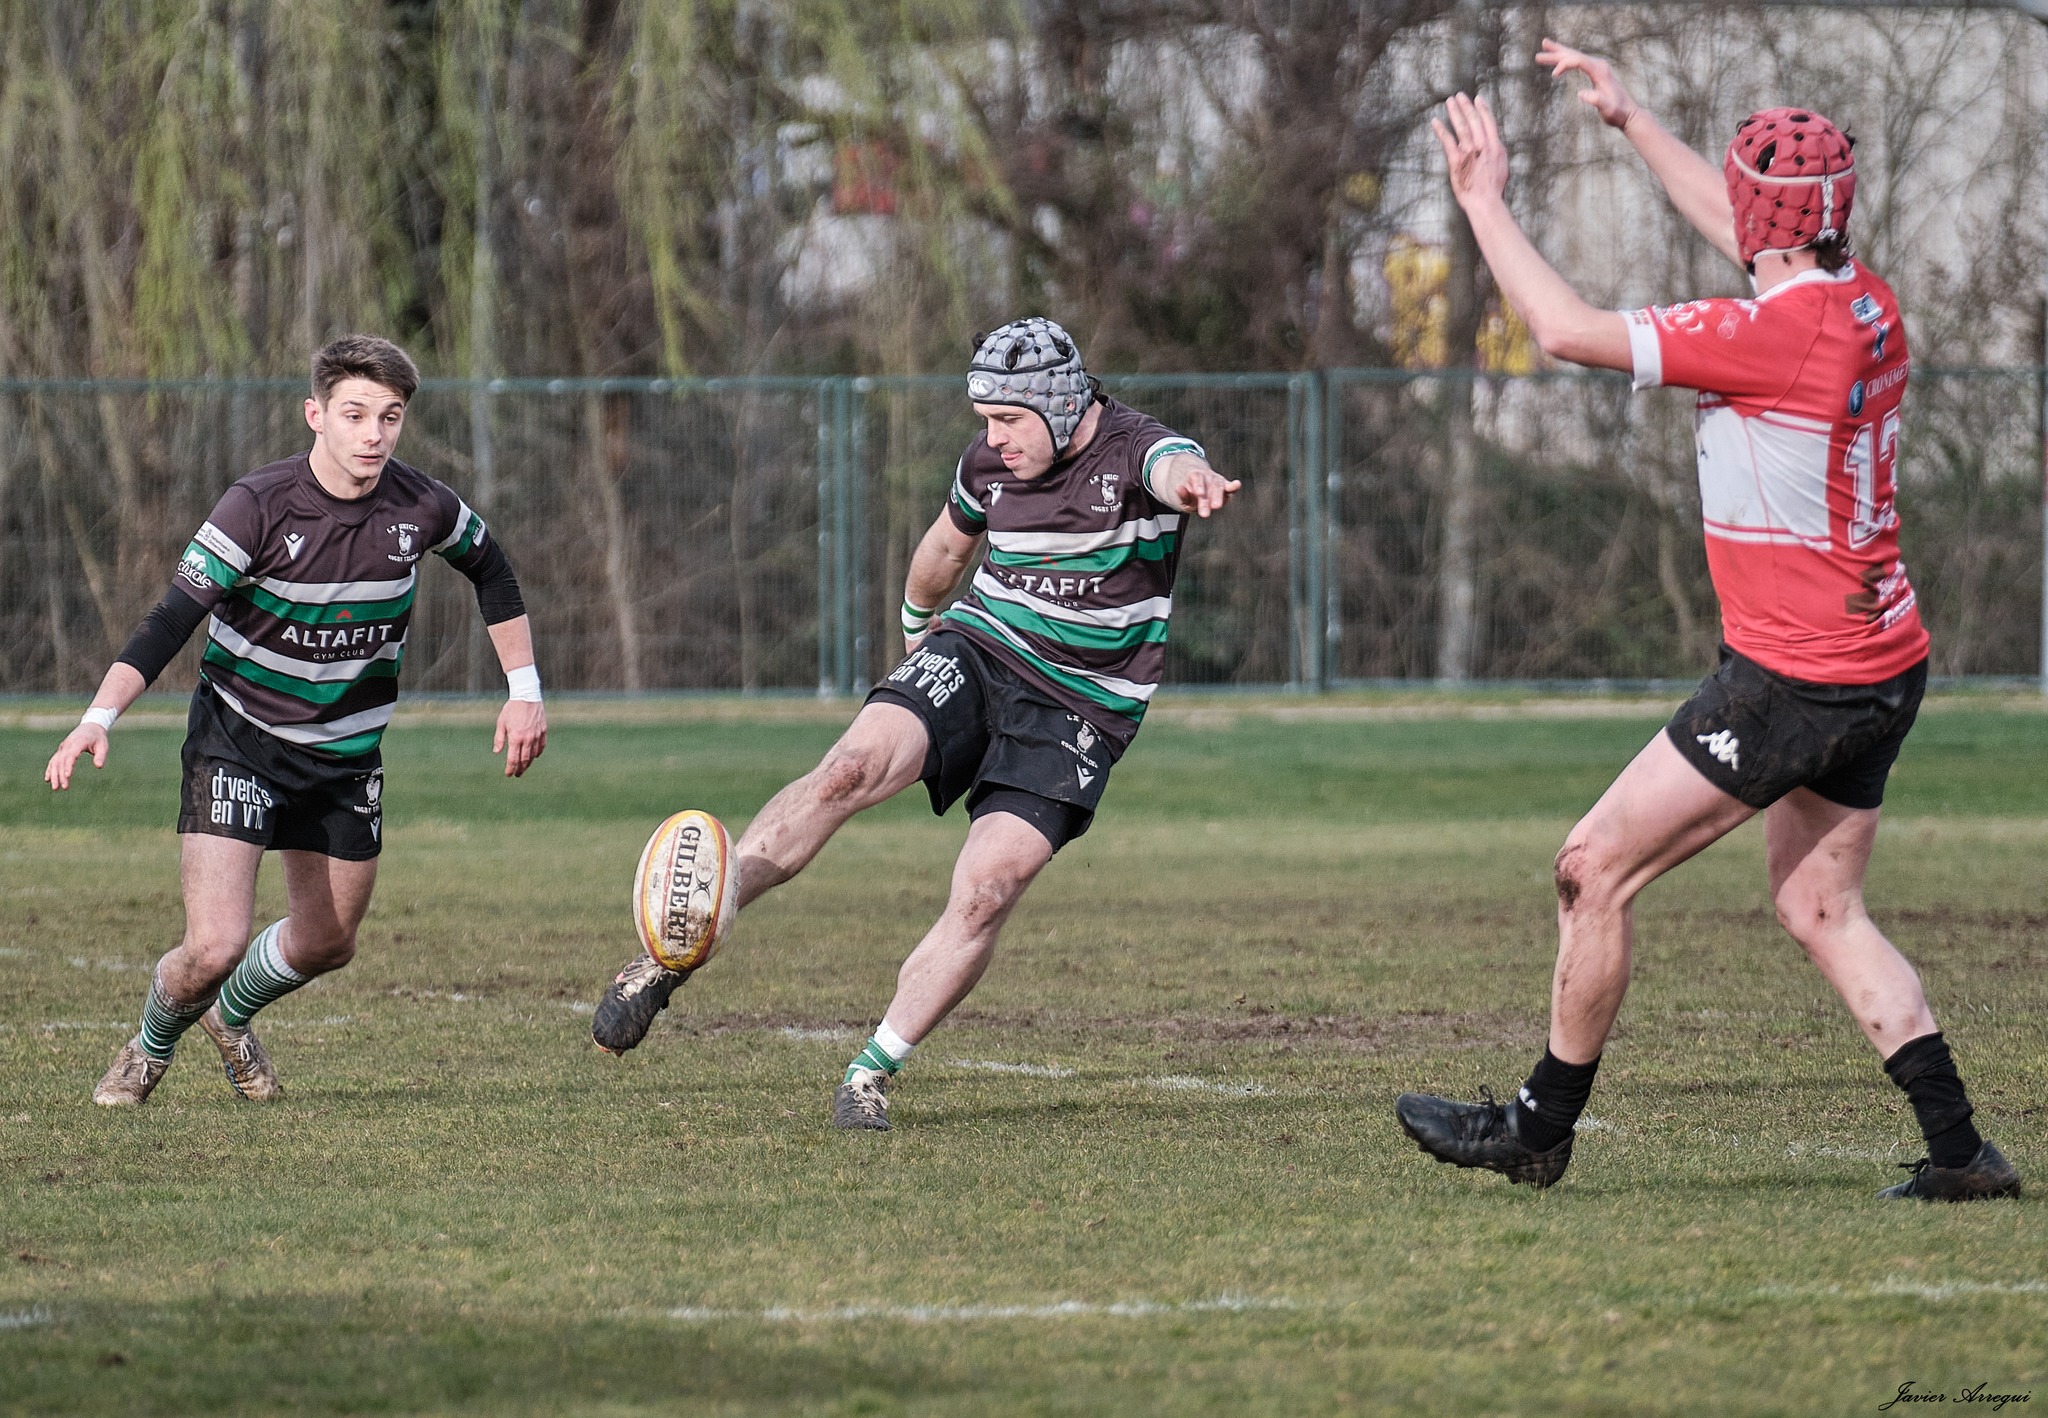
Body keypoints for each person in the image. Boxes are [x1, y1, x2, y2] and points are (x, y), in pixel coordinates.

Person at [1394, 44, 2019, 1201]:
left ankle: (1536, 1128)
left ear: (1755, 217)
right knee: (1819, 905)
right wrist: (1630, 121)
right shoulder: (1865, 299)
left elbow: (1563, 329)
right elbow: (1752, 228)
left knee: (1590, 869)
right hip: (1882, 661)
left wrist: (1480, 201)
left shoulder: (1763, 337)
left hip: (1791, 679)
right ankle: (1958, 1153)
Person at [591, 317, 1240, 1130]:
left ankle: (870, 1072)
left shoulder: (1135, 452)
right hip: (981, 647)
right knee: (846, 772)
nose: (993, 438)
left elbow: (1172, 465)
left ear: (1060, 406)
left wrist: (1194, 481)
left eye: (1008, 420)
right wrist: (914, 627)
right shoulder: (989, 464)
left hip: (1081, 705)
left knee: (988, 889)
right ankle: (673, 950)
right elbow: (943, 550)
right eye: (985, 420)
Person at [46, 334, 548, 1107]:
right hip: (238, 739)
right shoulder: (257, 507)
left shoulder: (423, 506)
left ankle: (228, 1015)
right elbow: (171, 618)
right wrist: (99, 716)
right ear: (316, 414)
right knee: (214, 945)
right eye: (355, 414)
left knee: (329, 942)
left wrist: (524, 688)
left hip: (345, 756)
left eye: (390, 416)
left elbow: (491, 566)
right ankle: (149, 1048)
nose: (373, 434)